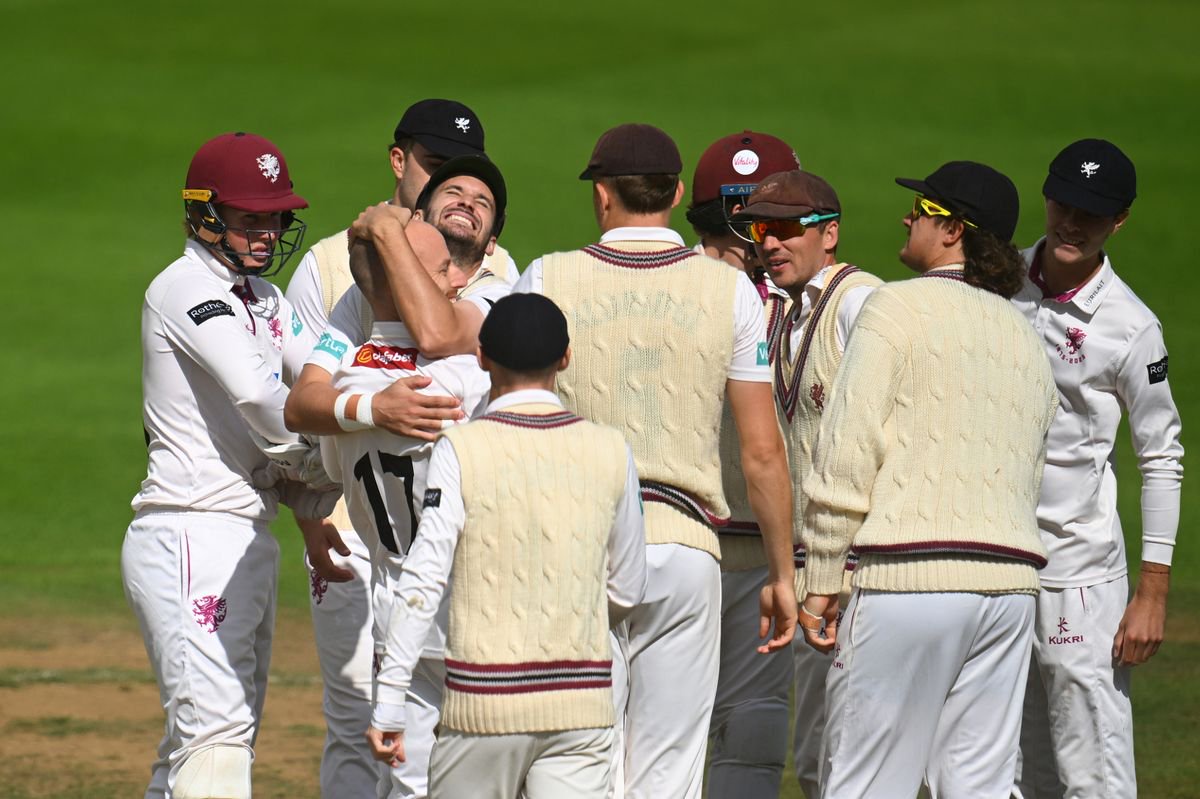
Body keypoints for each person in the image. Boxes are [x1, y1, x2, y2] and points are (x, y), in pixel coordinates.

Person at [514, 122, 796, 799]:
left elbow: (519, 422)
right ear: (674, 193)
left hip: (582, 546)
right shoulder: (730, 293)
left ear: (601, 194)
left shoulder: (546, 275)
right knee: (669, 773)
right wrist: (784, 572)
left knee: (584, 762)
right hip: (688, 548)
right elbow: (761, 450)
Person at [797, 161, 1059, 797]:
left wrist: (822, 577)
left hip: (908, 580)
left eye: (923, 209)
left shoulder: (894, 307)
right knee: (979, 787)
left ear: (954, 231)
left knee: (865, 784)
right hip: (1008, 590)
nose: (907, 217)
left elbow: (846, 450)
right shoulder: (1026, 337)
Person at [282, 101, 508, 799]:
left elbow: (432, 336)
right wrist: (372, 406)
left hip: (423, 577)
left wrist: (358, 404)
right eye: (445, 183)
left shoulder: (494, 293)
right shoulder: (349, 285)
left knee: (414, 770)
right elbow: (300, 402)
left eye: (479, 198)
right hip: (401, 567)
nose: (462, 205)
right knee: (393, 748)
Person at [366, 293, 647, 799]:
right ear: (565, 357)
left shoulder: (462, 447)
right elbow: (627, 587)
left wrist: (389, 701)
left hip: (483, 708)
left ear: (481, 356)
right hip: (580, 705)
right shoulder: (610, 448)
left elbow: (424, 577)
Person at [122, 131, 332, 799]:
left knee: (209, 740)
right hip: (191, 530)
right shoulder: (184, 288)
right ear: (203, 214)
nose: (267, 232)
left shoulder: (265, 301)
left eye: (274, 216)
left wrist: (385, 395)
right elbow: (258, 394)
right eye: (250, 217)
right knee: (215, 736)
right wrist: (323, 457)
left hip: (243, 534)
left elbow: (331, 366)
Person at [1012, 139, 1183, 799]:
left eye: (1092, 211)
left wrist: (1153, 592)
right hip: (994, 561)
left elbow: (1162, 454)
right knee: (1011, 770)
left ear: (1120, 221)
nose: (1071, 222)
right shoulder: (998, 278)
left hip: (1077, 576)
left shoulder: (1130, 329)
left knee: (1093, 776)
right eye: (1063, 201)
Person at [320, 221, 491, 799]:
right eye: (443, 270)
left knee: (405, 789)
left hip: (392, 614)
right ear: (407, 283)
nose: (461, 277)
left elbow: (326, 453)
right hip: (464, 613)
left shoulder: (349, 387)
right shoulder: (463, 377)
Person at [731, 168, 881, 799]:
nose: (770, 243)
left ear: (831, 234)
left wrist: (842, 572)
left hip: (859, 569)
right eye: (761, 229)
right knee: (819, 756)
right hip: (808, 566)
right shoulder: (779, 310)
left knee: (858, 757)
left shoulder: (861, 303)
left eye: (788, 228)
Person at [686, 132, 800, 799]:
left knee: (735, 731)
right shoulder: (683, 294)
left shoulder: (808, 301)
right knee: (708, 728)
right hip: (715, 542)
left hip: (735, 544)